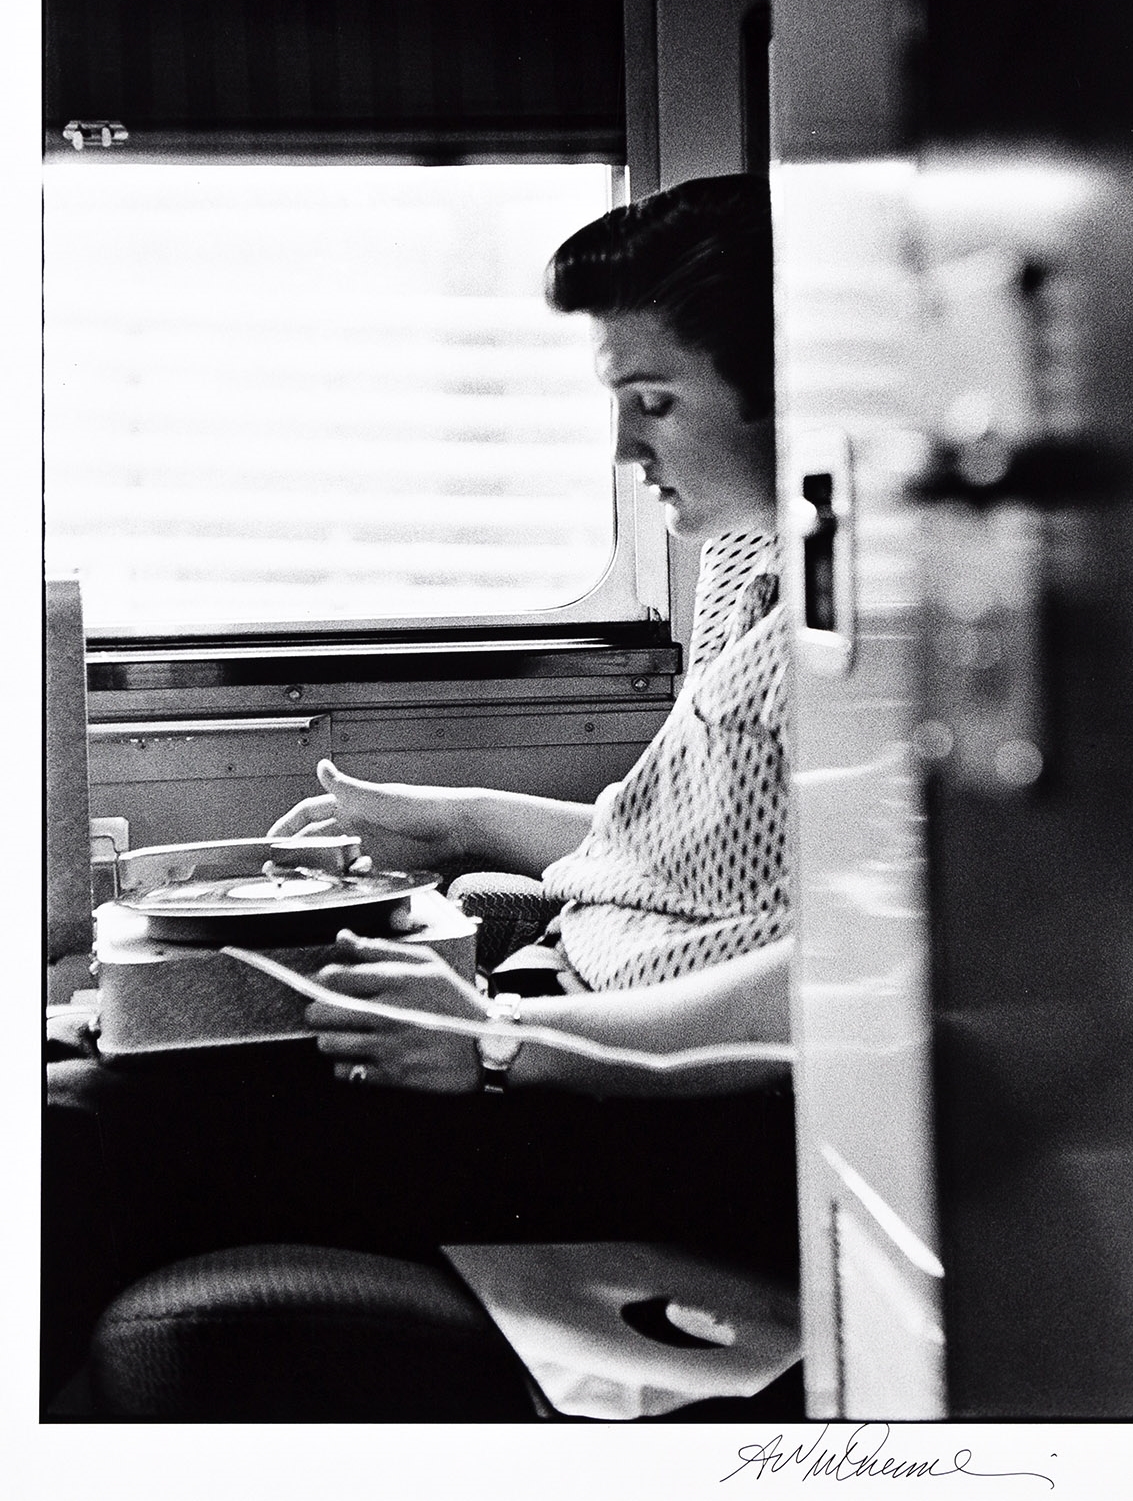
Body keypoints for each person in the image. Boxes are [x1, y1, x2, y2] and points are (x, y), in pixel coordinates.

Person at [44, 174, 801, 1414]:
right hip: (555, 1017)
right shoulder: (748, 553)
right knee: (87, 1068)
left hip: (632, 1108)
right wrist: (451, 817)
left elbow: (828, 971)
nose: (624, 450)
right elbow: (671, 860)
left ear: (798, 391)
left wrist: (498, 1043)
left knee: (75, 1138)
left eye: (652, 402)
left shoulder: (870, 621)